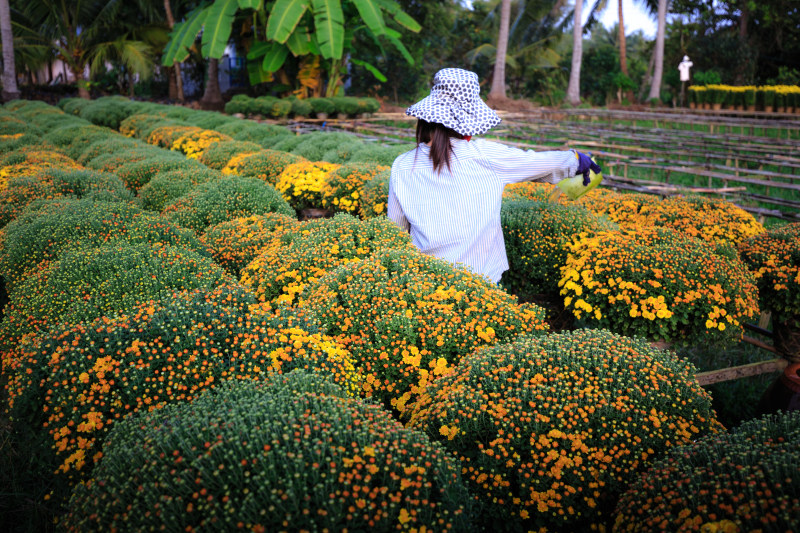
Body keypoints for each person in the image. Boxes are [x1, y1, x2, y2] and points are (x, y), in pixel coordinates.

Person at [388, 67, 601, 284]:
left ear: (428, 116)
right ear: (469, 117)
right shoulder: (485, 155)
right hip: (481, 286)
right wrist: (575, 160)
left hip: (424, 283)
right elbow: (535, 162)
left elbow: (395, 231)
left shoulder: (403, 165)